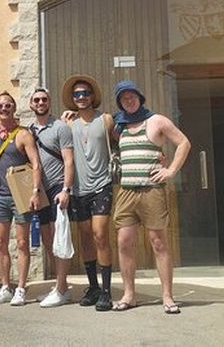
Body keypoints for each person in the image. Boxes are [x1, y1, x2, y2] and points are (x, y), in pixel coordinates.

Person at [112, 80, 190, 315]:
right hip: (126, 192)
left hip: (151, 191)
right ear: (120, 103)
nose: (129, 100)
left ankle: (167, 296)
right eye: (124, 98)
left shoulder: (157, 120)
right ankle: (129, 295)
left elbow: (184, 142)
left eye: (132, 96)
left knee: (159, 243)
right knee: (124, 243)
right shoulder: (119, 125)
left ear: (140, 97)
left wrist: (171, 170)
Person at [61, 74, 116, 311]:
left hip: (102, 185)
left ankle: (106, 291)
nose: (81, 97)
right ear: (72, 99)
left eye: (85, 93)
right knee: (85, 237)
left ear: (93, 96)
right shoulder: (68, 124)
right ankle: (93, 287)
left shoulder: (106, 120)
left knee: (100, 233)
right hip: (78, 190)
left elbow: (123, 140)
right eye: (77, 94)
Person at [0, 91, 43, 306]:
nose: (4, 109)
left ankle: (20, 288)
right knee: (1, 243)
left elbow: (36, 164)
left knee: (21, 243)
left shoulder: (23, 135)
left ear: (14, 108)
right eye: (0, 106)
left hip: (20, 195)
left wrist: (36, 192)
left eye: (7, 105)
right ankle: (5, 286)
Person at [28, 86, 75, 308]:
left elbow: (68, 161)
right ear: (31, 104)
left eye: (44, 99)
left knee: (59, 238)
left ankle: (62, 289)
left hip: (57, 188)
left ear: (49, 102)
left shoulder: (60, 128)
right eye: (36, 100)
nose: (40, 103)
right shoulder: (28, 130)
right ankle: (59, 286)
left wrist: (66, 189)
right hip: (40, 191)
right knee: (47, 240)